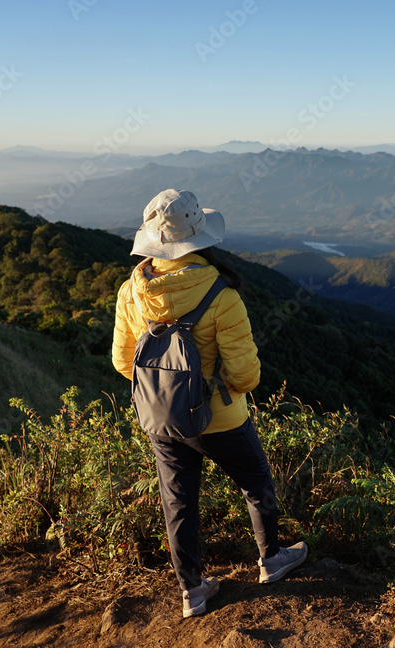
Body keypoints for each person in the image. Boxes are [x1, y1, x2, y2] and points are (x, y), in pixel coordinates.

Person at [111, 188, 307, 618]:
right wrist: (209, 391)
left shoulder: (132, 292)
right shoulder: (222, 296)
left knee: (178, 502)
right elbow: (245, 376)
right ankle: (271, 560)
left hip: (161, 419)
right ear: (199, 237)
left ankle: (193, 591)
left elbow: (124, 362)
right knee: (256, 483)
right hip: (219, 418)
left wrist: (170, 392)